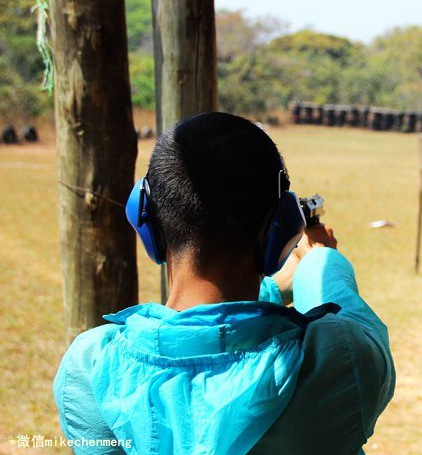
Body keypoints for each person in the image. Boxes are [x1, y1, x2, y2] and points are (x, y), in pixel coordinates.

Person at [53, 112, 395, 454]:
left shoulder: (85, 369)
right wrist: (319, 257)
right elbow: (354, 319)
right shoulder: (338, 363)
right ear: (282, 233)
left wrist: (275, 288)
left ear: (147, 226)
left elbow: (208, 334)